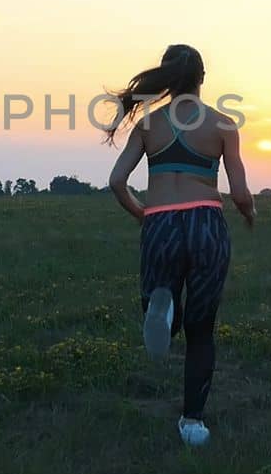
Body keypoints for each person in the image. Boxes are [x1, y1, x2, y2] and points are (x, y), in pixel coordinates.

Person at [105, 45, 256, 447]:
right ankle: (193, 424)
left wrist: (145, 214)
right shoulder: (223, 124)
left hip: (160, 223)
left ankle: (164, 310)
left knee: (164, 308)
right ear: (202, 78)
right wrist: (250, 214)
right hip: (206, 223)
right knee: (202, 329)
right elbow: (240, 192)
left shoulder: (149, 125)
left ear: (167, 78)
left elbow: (117, 182)